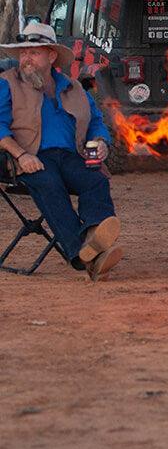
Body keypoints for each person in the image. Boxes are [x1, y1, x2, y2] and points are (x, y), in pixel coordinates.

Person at [0, 22, 122, 280]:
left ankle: (93, 238)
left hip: (69, 155)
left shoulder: (73, 87)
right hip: (26, 156)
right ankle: (81, 254)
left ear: (51, 56)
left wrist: (101, 141)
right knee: (49, 183)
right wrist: (21, 155)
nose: (26, 58)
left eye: (33, 52)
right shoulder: (7, 83)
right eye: (23, 53)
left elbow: (96, 121)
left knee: (95, 179)